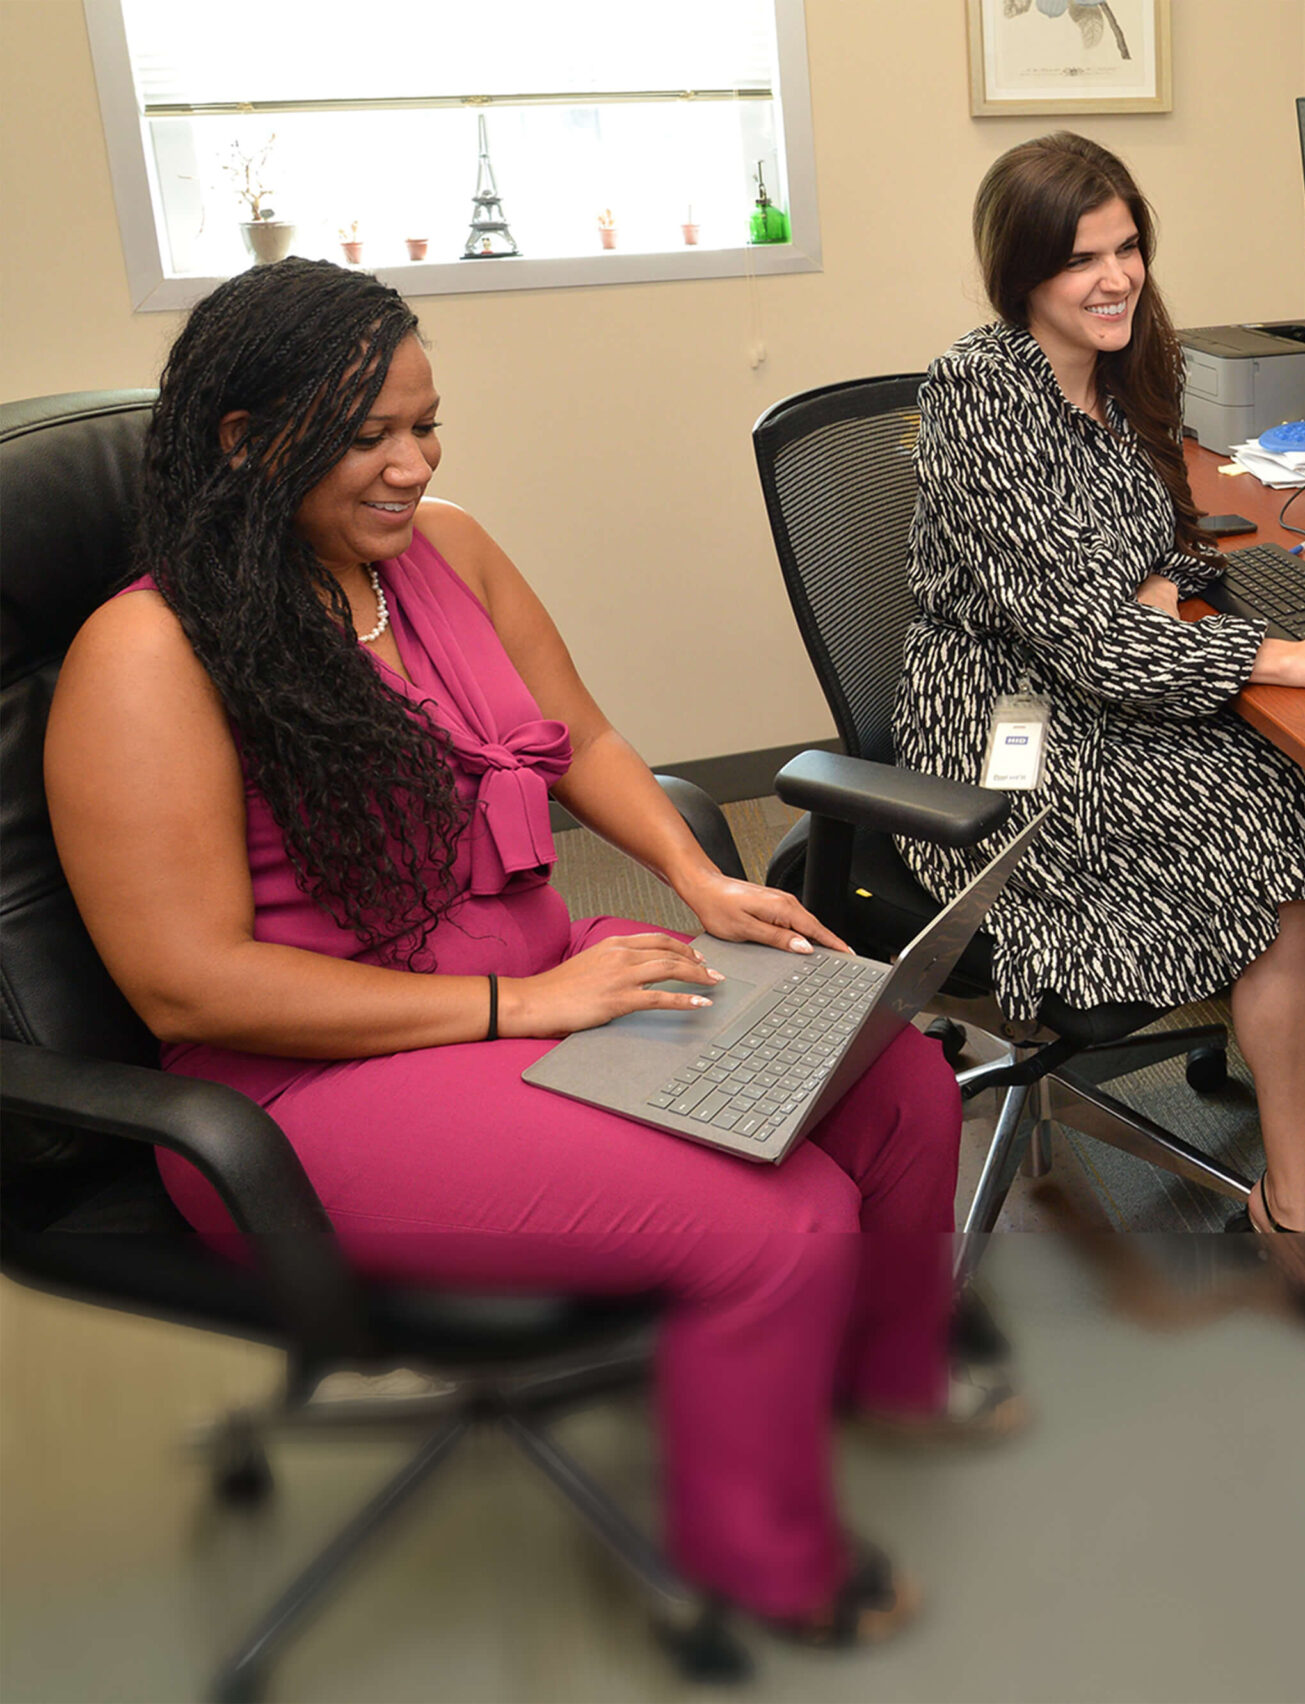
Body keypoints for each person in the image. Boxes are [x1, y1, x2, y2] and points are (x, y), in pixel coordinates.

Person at [45, 259, 967, 1645]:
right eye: (370, 437)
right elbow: (187, 980)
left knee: (898, 1086)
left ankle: (860, 1404)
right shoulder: (148, 657)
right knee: (783, 1223)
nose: (414, 465)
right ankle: (767, 1559)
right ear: (245, 442)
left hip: (539, 978)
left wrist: (694, 876)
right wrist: (521, 1001)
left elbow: (583, 735)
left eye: (428, 425)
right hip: (310, 1088)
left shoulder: (448, 553)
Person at [899, 132, 1305, 1292]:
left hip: (1110, 676)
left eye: (1128, 246)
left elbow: (1163, 560)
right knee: (1266, 849)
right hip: (1002, 723)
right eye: (1083, 258)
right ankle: (1295, 1214)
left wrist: (1166, 594)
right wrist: (1291, 655)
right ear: (1022, 272)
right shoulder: (982, 392)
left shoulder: (1134, 362)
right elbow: (1079, 639)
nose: (1116, 277)